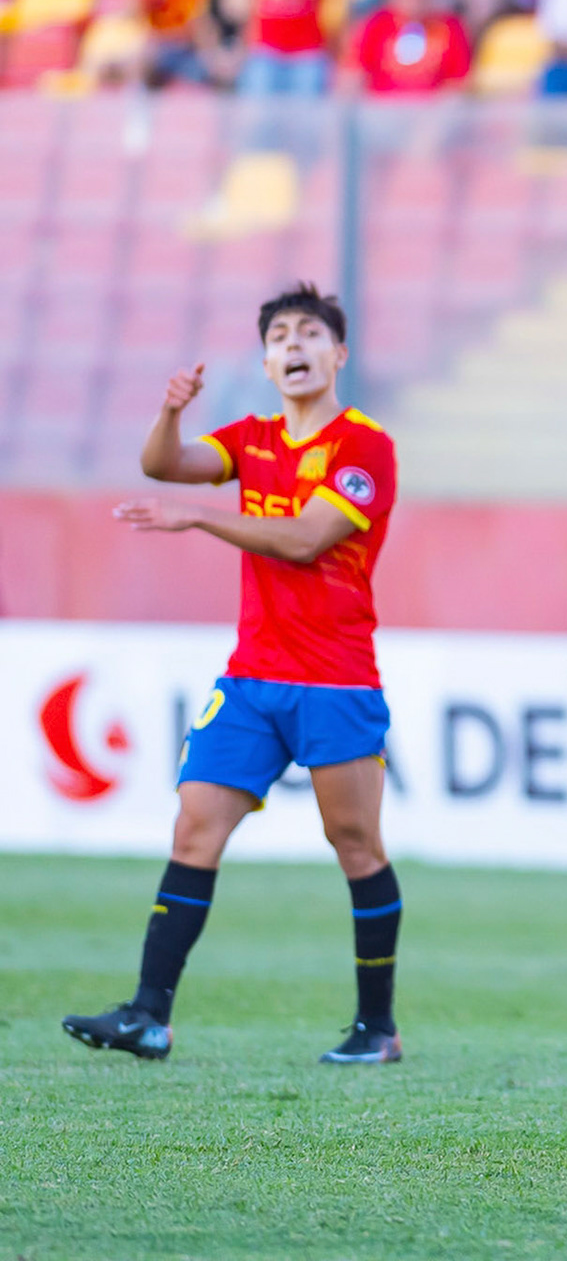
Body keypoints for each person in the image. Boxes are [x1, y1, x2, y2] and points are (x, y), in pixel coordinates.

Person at [61, 285, 405, 1066]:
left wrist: (199, 516)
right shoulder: (251, 436)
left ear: (337, 354)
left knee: (354, 843)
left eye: (309, 332)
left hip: (336, 680)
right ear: (266, 359)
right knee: (194, 826)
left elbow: (305, 540)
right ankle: (150, 1015)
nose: (293, 343)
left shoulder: (365, 446)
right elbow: (165, 464)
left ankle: (377, 1029)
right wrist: (172, 411)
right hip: (252, 677)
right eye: (279, 333)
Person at [348, 0, 472, 93]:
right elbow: (356, 71)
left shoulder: (449, 27)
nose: (413, 1)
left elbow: (458, 79)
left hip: (433, 107)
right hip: (383, 105)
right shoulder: (377, 24)